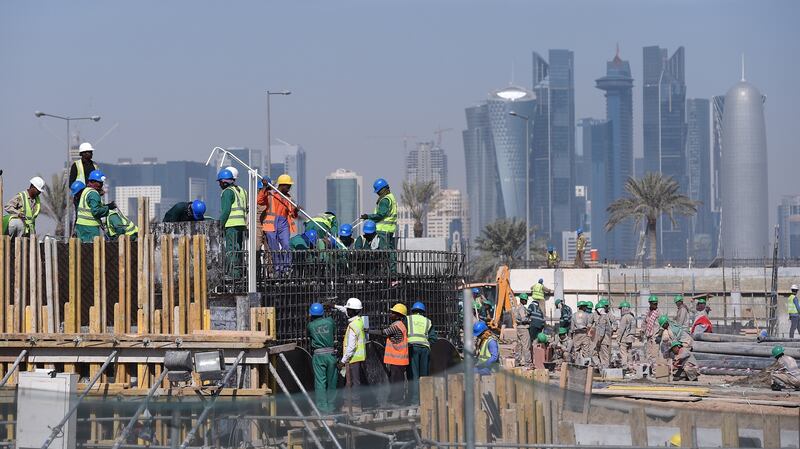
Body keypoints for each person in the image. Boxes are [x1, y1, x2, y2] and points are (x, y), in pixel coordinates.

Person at [369, 303, 409, 404]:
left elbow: (384, 332)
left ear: (398, 315)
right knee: (396, 381)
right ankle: (396, 399)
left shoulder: (397, 326)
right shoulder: (399, 325)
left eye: (393, 313)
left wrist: (368, 331)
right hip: (399, 360)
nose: (390, 314)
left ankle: (397, 400)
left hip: (398, 360)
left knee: (396, 382)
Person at [259, 174, 299, 273]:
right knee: (274, 248)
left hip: (283, 223)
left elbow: (293, 215)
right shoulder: (271, 194)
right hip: (271, 224)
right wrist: (264, 188)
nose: (289, 188)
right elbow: (259, 200)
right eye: (288, 185)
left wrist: (296, 211)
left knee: (286, 245)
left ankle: (286, 269)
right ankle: (278, 270)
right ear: (282, 185)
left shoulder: (289, 198)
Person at [217, 168, 247, 279]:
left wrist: (219, 225)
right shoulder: (242, 191)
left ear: (224, 181)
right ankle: (238, 273)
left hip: (231, 225)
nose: (219, 184)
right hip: (241, 224)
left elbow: (226, 211)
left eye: (220, 182)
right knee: (238, 249)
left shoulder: (227, 192)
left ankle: (233, 275)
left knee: (231, 249)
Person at [307, 302, 337, 413]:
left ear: (311, 314)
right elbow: (333, 330)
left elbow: (309, 336)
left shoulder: (310, 325)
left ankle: (322, 407)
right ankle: (331, 405)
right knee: (332, 380)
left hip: (319, 356)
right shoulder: (330, 321)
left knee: (320, 382)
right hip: (331, 354)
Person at [337, 298, 366, 409]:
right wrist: (334, 306)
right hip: (356, 358)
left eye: (348, 309)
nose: (346, 311)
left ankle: (355, 404)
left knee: (354, 383)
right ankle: (351, 403)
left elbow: (351, 347)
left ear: (353, 311)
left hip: (353, 358)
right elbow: (345, 310)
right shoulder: (358, 321)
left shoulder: (353, 326)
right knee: (353, 382)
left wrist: (342, 361)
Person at [406, 302, 436, 404]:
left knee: (413, 374)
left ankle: (414, 400)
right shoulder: (428, 321)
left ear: (413, 310)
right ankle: (425, 399)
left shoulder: (408, 319)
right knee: (424, 374)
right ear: (423, 312)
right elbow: (433, 338)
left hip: (412, 348)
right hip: (424, 349)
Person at [75, 170, 115, 242]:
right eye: (99, 182)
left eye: (101, 183)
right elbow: (96, 211)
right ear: (92, 182)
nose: (101, 185)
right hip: (90, 227)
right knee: (92, 250)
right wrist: (108, 207)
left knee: (83, 250)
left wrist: (106, 206)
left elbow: (91, 208)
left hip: (80, 225)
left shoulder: (86, 191)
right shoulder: (93, 193)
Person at [361, 178, 397, 249]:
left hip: (383, 229)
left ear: (383, 189)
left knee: (383, 250)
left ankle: (390, 260)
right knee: (387, 249)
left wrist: (368, 216)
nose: (377, 193)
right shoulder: (391, 197)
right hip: (389, 229)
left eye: (378, 191)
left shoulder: (385, 200)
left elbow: (380, 215)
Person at [592, 298, 613, 369]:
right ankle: (604, 367)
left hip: (603, 339)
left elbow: (602, 331)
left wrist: (599, 340)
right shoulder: (605, 316)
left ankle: (605, 368)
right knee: (603, 354)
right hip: (606, 339)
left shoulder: (603, 318)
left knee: (604, 354)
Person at [513, 294, 532, 367]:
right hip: (524, 328)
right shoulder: (522, 308)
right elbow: (524, 319)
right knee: (526, 346)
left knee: (519, 345)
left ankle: (517, 362)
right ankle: (528, 363)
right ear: (522, 300)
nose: (526, 301)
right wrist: (530, 320)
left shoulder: (517, 307)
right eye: (525, 300)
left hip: (519, 328)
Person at [617, 301, 637, 371]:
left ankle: (625, 367)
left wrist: (618, 339)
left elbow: (621, 330)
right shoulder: (632, 317)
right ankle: (631, 366)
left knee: (623, 353)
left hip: (624, 338)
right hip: (630, 338)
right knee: (629, 352)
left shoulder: (624, 317)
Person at [642, 295, 661, 365]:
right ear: (650, 303)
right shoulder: (648, 312)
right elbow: (644, 322)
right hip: (649, 334)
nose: (655, 305)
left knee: (654, 353)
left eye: (656, 304)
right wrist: (642, 330)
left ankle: (655, 370)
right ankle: (649, 367)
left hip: (656, 335)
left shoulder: (658, 312)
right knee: (648, 352)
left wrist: (660, 334)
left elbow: (663, 324)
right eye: (654, 304)